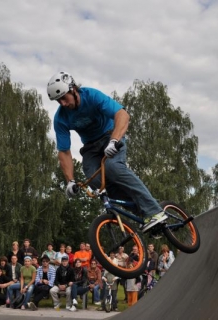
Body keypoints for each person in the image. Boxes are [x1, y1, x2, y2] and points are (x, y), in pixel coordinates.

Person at [47, 72, 168, 232]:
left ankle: (155, 211)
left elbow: (122, 114)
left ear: (73, 89)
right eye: (58, 101)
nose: (62, 103)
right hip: (90, 148)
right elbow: (64, 152)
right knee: (94, 180)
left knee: (113, 168)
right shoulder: (60, 118)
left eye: (64, 98)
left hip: (110, 136)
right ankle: (145, 215)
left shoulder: (92, 96)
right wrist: (70, 181)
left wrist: (115, 140)